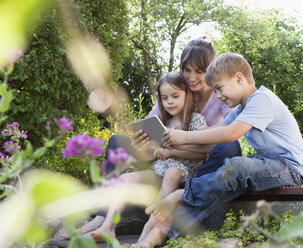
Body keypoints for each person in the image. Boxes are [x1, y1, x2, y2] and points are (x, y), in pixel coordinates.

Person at [78, 39, 242, 241]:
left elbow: (231, 128)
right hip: (163, 157)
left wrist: (184, 140)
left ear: (210, 69)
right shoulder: (176, 88)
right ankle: (101, 216)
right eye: (187, 70)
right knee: (118, 142)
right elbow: (153, 124)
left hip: (198, 160)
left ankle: (181, 206)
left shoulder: (220, 94)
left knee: (228, 146)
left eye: (199, 71)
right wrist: (142, 140)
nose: (192, 78)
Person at [141, 52, 303, 246]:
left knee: (237, 167)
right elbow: (215, 136)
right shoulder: (240, 110)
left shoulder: (262, 99)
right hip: (268, 164)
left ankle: (182, 194)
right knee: (223, 179)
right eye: (215, 92)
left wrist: (184, 137)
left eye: (219, 89)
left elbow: (230, 134)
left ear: (239, 78)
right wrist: (175, 140)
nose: (218, 97)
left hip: (289, 168)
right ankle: (166, 232)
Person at [85, 71, 209, 242]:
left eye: (175, 96)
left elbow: (202, 153)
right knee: (126, 179)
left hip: (183, 175)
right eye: (165, 98)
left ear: (187, 95)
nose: (170, 102)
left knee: (172, 172)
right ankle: (108, 226)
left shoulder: (196, 120)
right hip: (159, 171)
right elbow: (152, 153)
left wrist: (172, 152)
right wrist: (151, 150)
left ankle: (149, 228)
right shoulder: (161, 123)